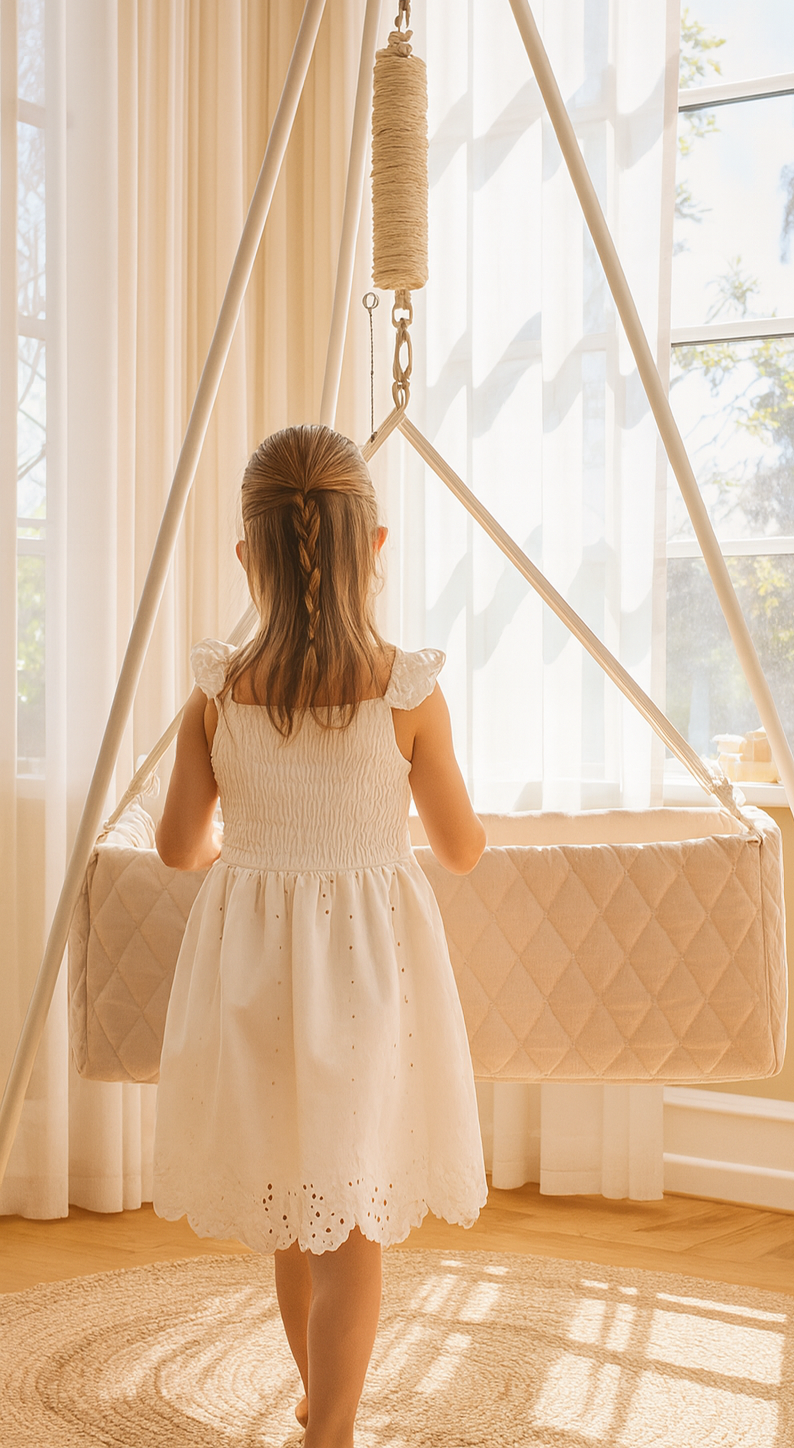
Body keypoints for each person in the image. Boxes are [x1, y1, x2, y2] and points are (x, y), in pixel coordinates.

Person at [152, 424, 488, 1448]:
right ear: (374, 547)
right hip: (366, 975)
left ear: (246, 556)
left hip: (249, 967)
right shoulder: (407, 693)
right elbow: (462, 849)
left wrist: (244, 870)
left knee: (287, 1198)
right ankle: (331, 1430)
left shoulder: (215, 695)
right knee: (348, 1216)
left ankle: (316, 1399)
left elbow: (175, 848)